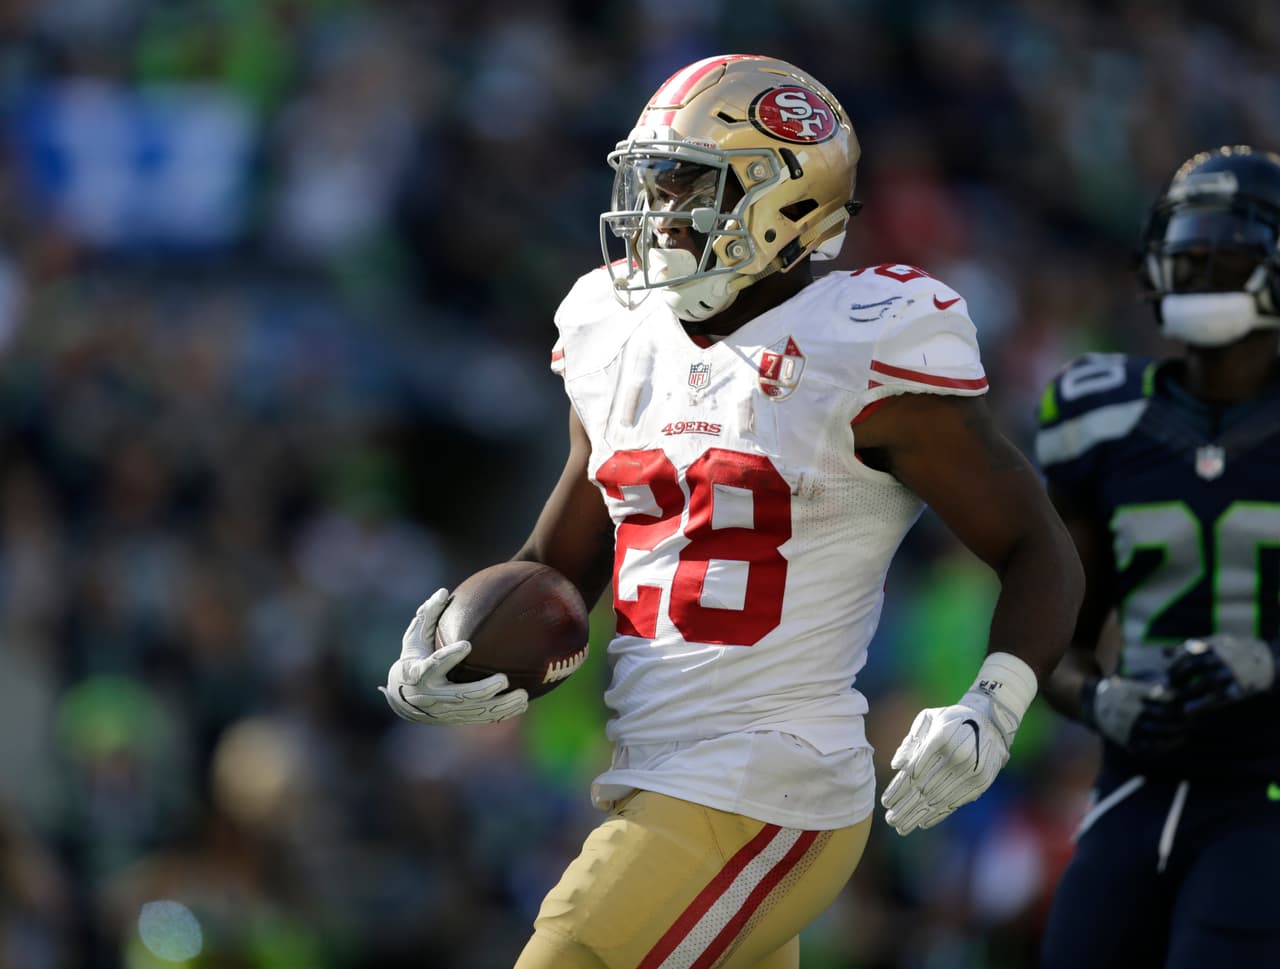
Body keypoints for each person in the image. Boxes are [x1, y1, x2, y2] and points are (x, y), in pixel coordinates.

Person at [383, 54, 1082, 969]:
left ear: (785, 202)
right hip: (655, 774)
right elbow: (563, 563)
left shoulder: (863, 343)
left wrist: (993, 705)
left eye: (684, 185)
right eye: (649, 182)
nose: (655, 213)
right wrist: (460, 661)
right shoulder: (612, 330)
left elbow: (1037, 541)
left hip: (771, 779)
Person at [1037, 145, 1280, 969]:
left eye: (1230, 247)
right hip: (1135, 784)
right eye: (1189, 247)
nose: (1201, 265)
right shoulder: (1099, 415)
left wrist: (1270, 662)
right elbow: (1046, 640)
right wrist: (1102, 698)